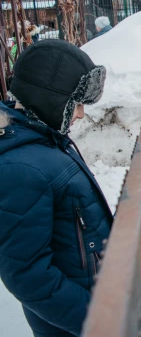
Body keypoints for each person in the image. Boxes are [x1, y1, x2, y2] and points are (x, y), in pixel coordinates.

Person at [0, 39, 112, 337]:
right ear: (48, 99)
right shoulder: (20, 168)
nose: (80, 114)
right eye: (75, 104)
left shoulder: (43, 143)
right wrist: (97, 321)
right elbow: (28, 274)